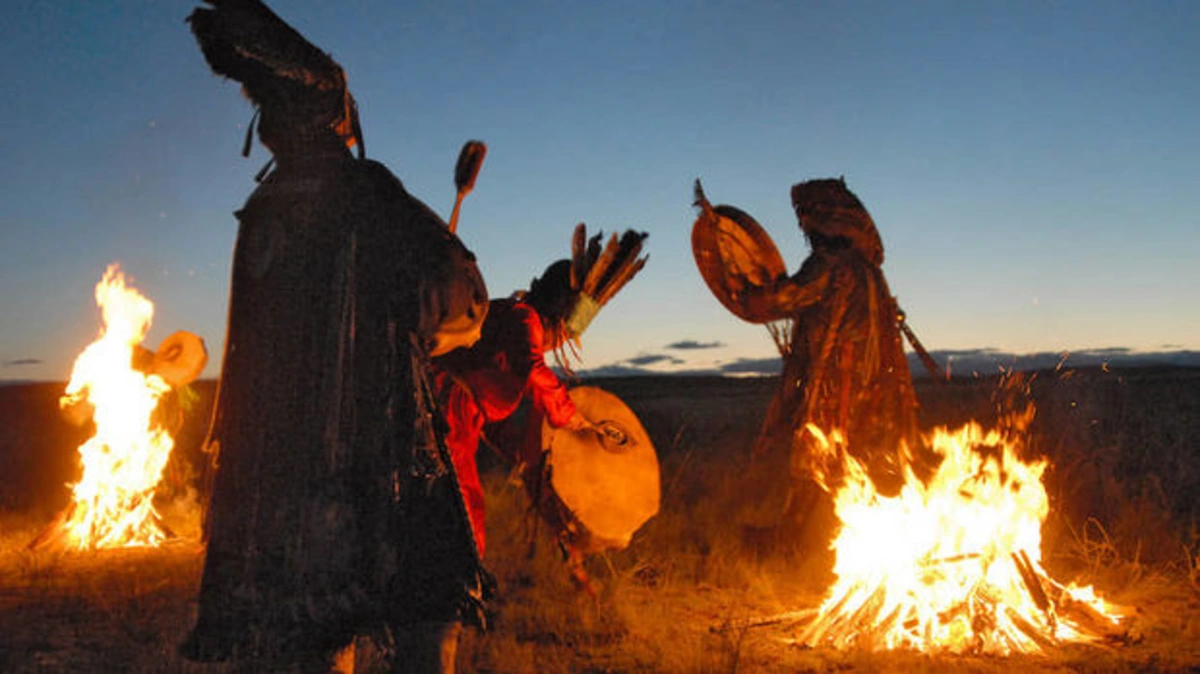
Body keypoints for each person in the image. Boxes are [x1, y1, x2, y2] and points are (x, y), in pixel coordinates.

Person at [180, 1, 489, 671]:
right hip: (380, 463)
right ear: (337, 121)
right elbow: (460, 302)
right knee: (426, 620)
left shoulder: (264, 210)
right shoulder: (365, 191)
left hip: (274, 480)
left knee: (310, 639)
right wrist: (431, 312)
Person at [692, 178, 927, 561]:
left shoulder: (829, 264)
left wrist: (743, 289)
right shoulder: (868, 270)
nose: (802, 226)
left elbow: (784, 298)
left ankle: (798, 545)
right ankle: (810, 540)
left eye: (805, 218)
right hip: (872, 388)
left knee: (818, 457)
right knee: (845, 461)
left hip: (839, 387)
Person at [432, 226, 649, 563]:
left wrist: (517, 449)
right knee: (462, 508)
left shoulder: (513, 318)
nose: (561, 345)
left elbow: (487, 405)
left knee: (447, 505)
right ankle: (455, 599)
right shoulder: (524, 318)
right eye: (566, 336)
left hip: (454, 412)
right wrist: (569, 415)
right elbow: (532, 369)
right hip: (446, 409)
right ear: (560, 315)